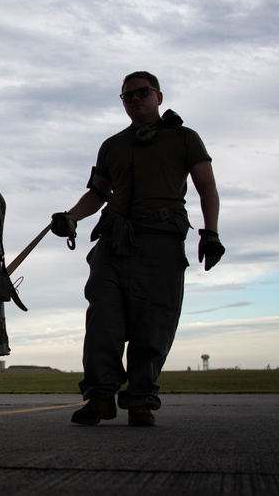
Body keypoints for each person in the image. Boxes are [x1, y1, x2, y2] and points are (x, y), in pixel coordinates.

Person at [51, 71, 223, 427]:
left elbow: (206, 187)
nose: (134, 99)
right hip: (114, 241)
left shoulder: (185, 138)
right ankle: (100, 398)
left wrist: (211, 233)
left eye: (142, 92)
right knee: (103, 319)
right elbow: (98, 194)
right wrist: (71, 217)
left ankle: (141, 400)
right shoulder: (112, 145)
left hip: (161, 238)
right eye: (127, 96)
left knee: (154, 322)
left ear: (158, 95)